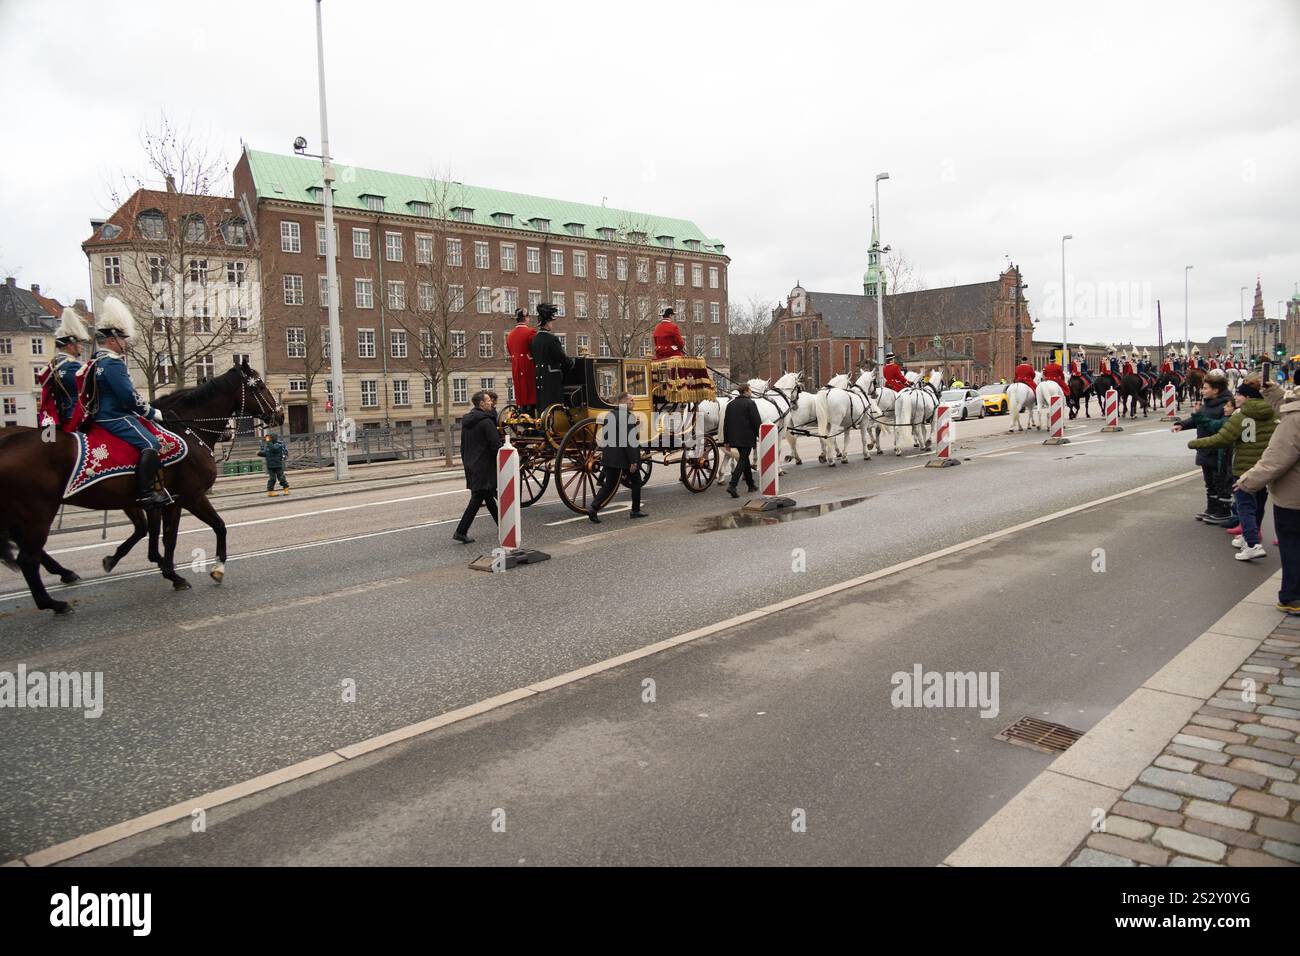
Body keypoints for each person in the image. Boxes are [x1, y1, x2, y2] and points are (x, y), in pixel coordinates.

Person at [89, 296, 171, 509]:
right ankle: (146, 494)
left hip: (100, 415)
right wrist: (152, 413)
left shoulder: (95, 362)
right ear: (112, 339)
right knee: (151, 442)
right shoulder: (113, 364)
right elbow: (128, 397)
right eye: (123, 339)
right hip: (115, 416)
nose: (125, 343)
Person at [1188, 378, 1279, 560]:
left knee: (1244, 505)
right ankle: (1249, 536)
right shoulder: (1271, 414)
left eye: (1238, 394)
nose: (1235, 397)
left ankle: (1252, 543)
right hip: (1262, 467)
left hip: (1243, 467)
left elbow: (1222, 438)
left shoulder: (1240, 415)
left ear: (1247, 397)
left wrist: (1194, 443)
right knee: (1259, 504)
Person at [1236, 385, 1300, 610]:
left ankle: (1292, 597)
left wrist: (1247, 482)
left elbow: (1276, 459)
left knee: (1292, 544)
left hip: (1294, 496)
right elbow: (1283, 405)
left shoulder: (1294, 420)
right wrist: (1271, 390)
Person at [1172, 369, 1232, 524]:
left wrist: (1199, 417)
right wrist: (1182, 424)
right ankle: (1211, 508)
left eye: (1205, 388)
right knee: (1209, 483)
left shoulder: (1226, 405)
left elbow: (1218, 427)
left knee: (1220, 482)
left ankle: (1222, 510)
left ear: (1216, 390)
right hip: (1205, 449)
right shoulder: (1208, 404)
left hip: (1217, 450)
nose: (1202, 390)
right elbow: (1197, 419)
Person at [587, 391, 648, 523]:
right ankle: (635, 511)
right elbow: (629, 442)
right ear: (623, 402)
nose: (634, 402)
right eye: (631, 400)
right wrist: (633, 462)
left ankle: (593, 508)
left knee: (609, 485)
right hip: (624, 457)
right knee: (636, 482)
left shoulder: (610, 414)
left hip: (610, 456)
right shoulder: (627, 417)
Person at [453, 390, 502, 543]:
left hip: (471, 464)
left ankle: (503, 525)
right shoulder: (486, 422)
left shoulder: (468, 420)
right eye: (488, 401)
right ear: (481, 404)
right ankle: (461, 531)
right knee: (477, 499)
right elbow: (496, 446)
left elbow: (464, 445)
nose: (491, 403)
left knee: (488, 497)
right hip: (483, 466)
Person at [37, 307, 90, 431]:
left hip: (57, 417)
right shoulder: (73, 366)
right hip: (74, 417)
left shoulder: (52, 366)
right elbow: (88, 392)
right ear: (71, 346)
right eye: (79, 344)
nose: (82, 347)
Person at [531, 303, 572, 411]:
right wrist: (571, 363)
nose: (552, 325)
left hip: (539, 375)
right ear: (547, 323)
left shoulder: (535, 339)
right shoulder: (551, 339)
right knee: (554, 407)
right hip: (551, 378)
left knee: (543, 405)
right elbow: (562, 358)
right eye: (551, 322)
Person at [724, 382, 762, 497]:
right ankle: (732, 485)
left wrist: (726, 440)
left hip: (734, 437)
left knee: (744, 459)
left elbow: (726, 424)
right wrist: (760, 435)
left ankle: (751, 485)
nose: (751, 392)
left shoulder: (730, 404)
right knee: (743, 460)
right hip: (746, 438)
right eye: (750, 390)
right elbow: (756, 421)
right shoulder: (750, 403)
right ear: (745, 391)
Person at [506, 308, 537, 415]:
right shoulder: (531, 332)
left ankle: (522, 412)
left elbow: (510, 352)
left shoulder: (510, 335)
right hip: (528, 367)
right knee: (531, 394)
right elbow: (535, 351)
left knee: (521, 394)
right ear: (525, 318)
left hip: (516, 368)